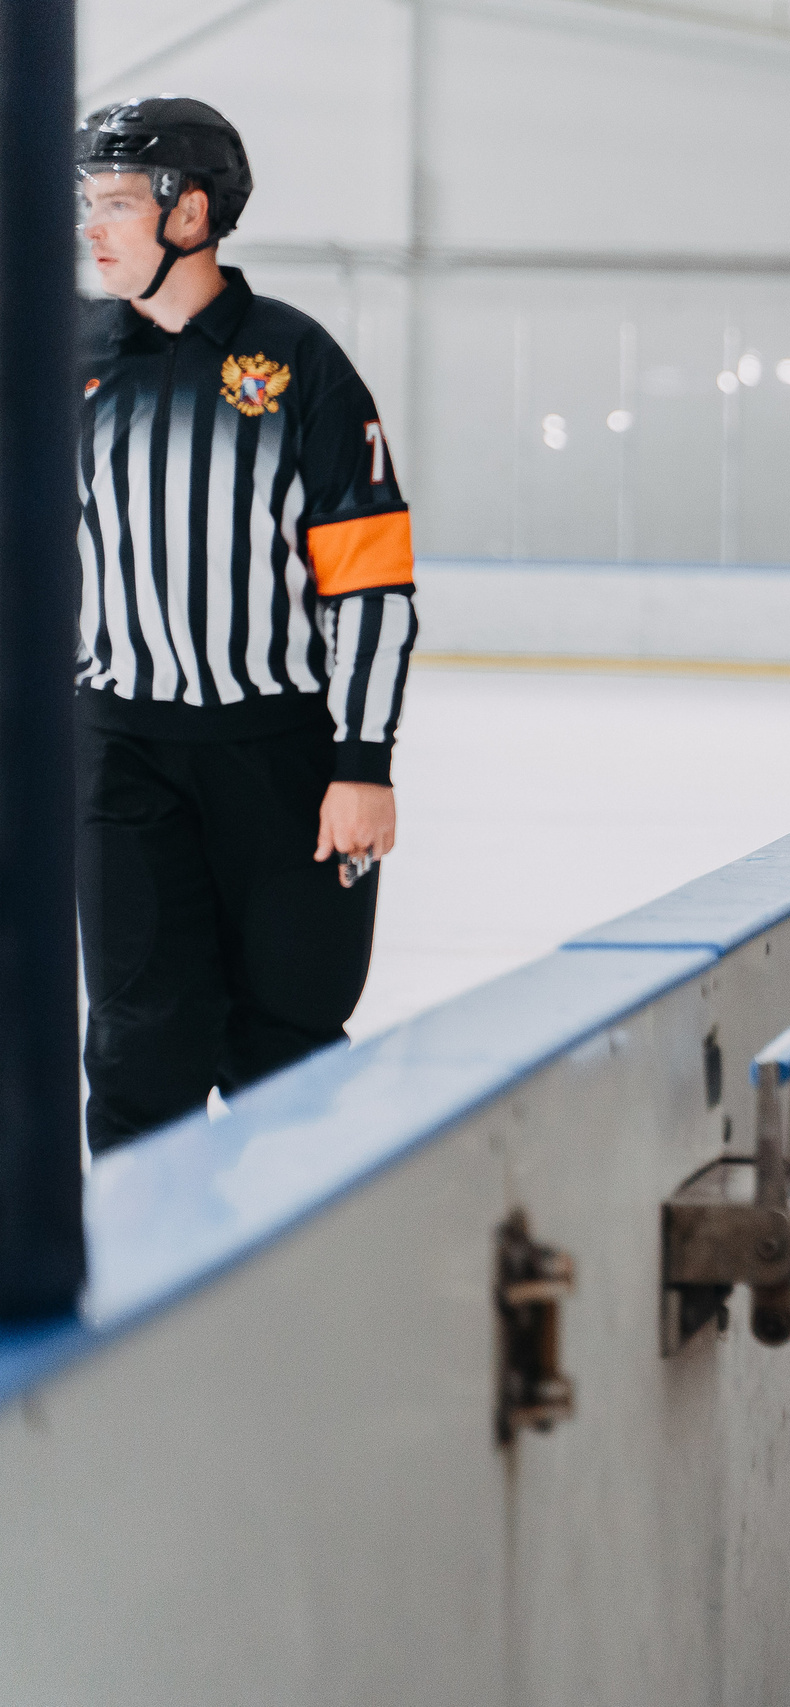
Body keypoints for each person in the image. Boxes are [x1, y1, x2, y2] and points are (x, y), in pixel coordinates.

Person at [72, 98, 417, 1152]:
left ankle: (299, 1297)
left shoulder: (297, 362)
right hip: (119, 754)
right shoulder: (66, 360)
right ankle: (144, 1301)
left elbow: (371, 578)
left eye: (120, 203)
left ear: (193, 215)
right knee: (140, 1045)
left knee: (287, 1046)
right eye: (88, 203)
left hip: (283, 763)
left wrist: (363, 762)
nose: (94, 227)